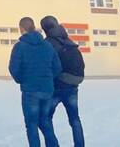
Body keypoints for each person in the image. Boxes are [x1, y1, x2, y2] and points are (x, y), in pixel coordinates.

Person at [9, 17, 63, 147]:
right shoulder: (47, 45)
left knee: (31, 125)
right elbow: (57, 67)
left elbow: (14, 69)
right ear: (33, 27)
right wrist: (47, 78)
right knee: (45, 121)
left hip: (30, 91)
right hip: (47, 90)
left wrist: (22, 80)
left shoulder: (20, 46)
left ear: (21, 28)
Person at [40, 16, 86, 147]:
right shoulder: (67, 39)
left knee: (44, 118)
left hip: (56, 87)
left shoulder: (47, 43)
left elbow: (47, 66)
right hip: (72, 86)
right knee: (75, 119)